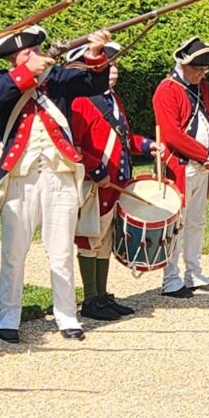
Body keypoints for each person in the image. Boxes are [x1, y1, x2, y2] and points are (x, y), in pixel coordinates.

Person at [0, 29, 103, 342]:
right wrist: (25, 75)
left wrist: (94, 52)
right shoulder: (2, 81)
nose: (33, 57)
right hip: (18, 177)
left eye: (35, 51)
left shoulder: (59, 78)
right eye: (26, 55)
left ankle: (67, 316)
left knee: (60, 250)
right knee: (13, 253)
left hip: (59, 173)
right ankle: (8, 318)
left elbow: (95, 83)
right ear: (15, 60)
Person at [65, 45, 149, 321]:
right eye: (107, 65)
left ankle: (101, 295)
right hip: (97, 181)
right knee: (90, 238)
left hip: (116, 180)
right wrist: (95, 169)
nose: (114, 69)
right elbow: (74, 144)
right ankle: (90, 299)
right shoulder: (79, 100)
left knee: (104, 240)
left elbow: (124, 138)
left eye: (114, 64)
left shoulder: (112, 98)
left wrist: (148, 145)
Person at [153, 35, 209, 297]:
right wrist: (203, 154)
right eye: (198, 69)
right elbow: (172, 134)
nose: (202, 74)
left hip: (202, 166)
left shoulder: (202, 86)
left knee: (197, 221)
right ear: (183, 65)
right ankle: (171, 279)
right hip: (180, 167)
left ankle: (194, 273)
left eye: (205, 70)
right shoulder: (167, 90)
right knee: (176, 224)